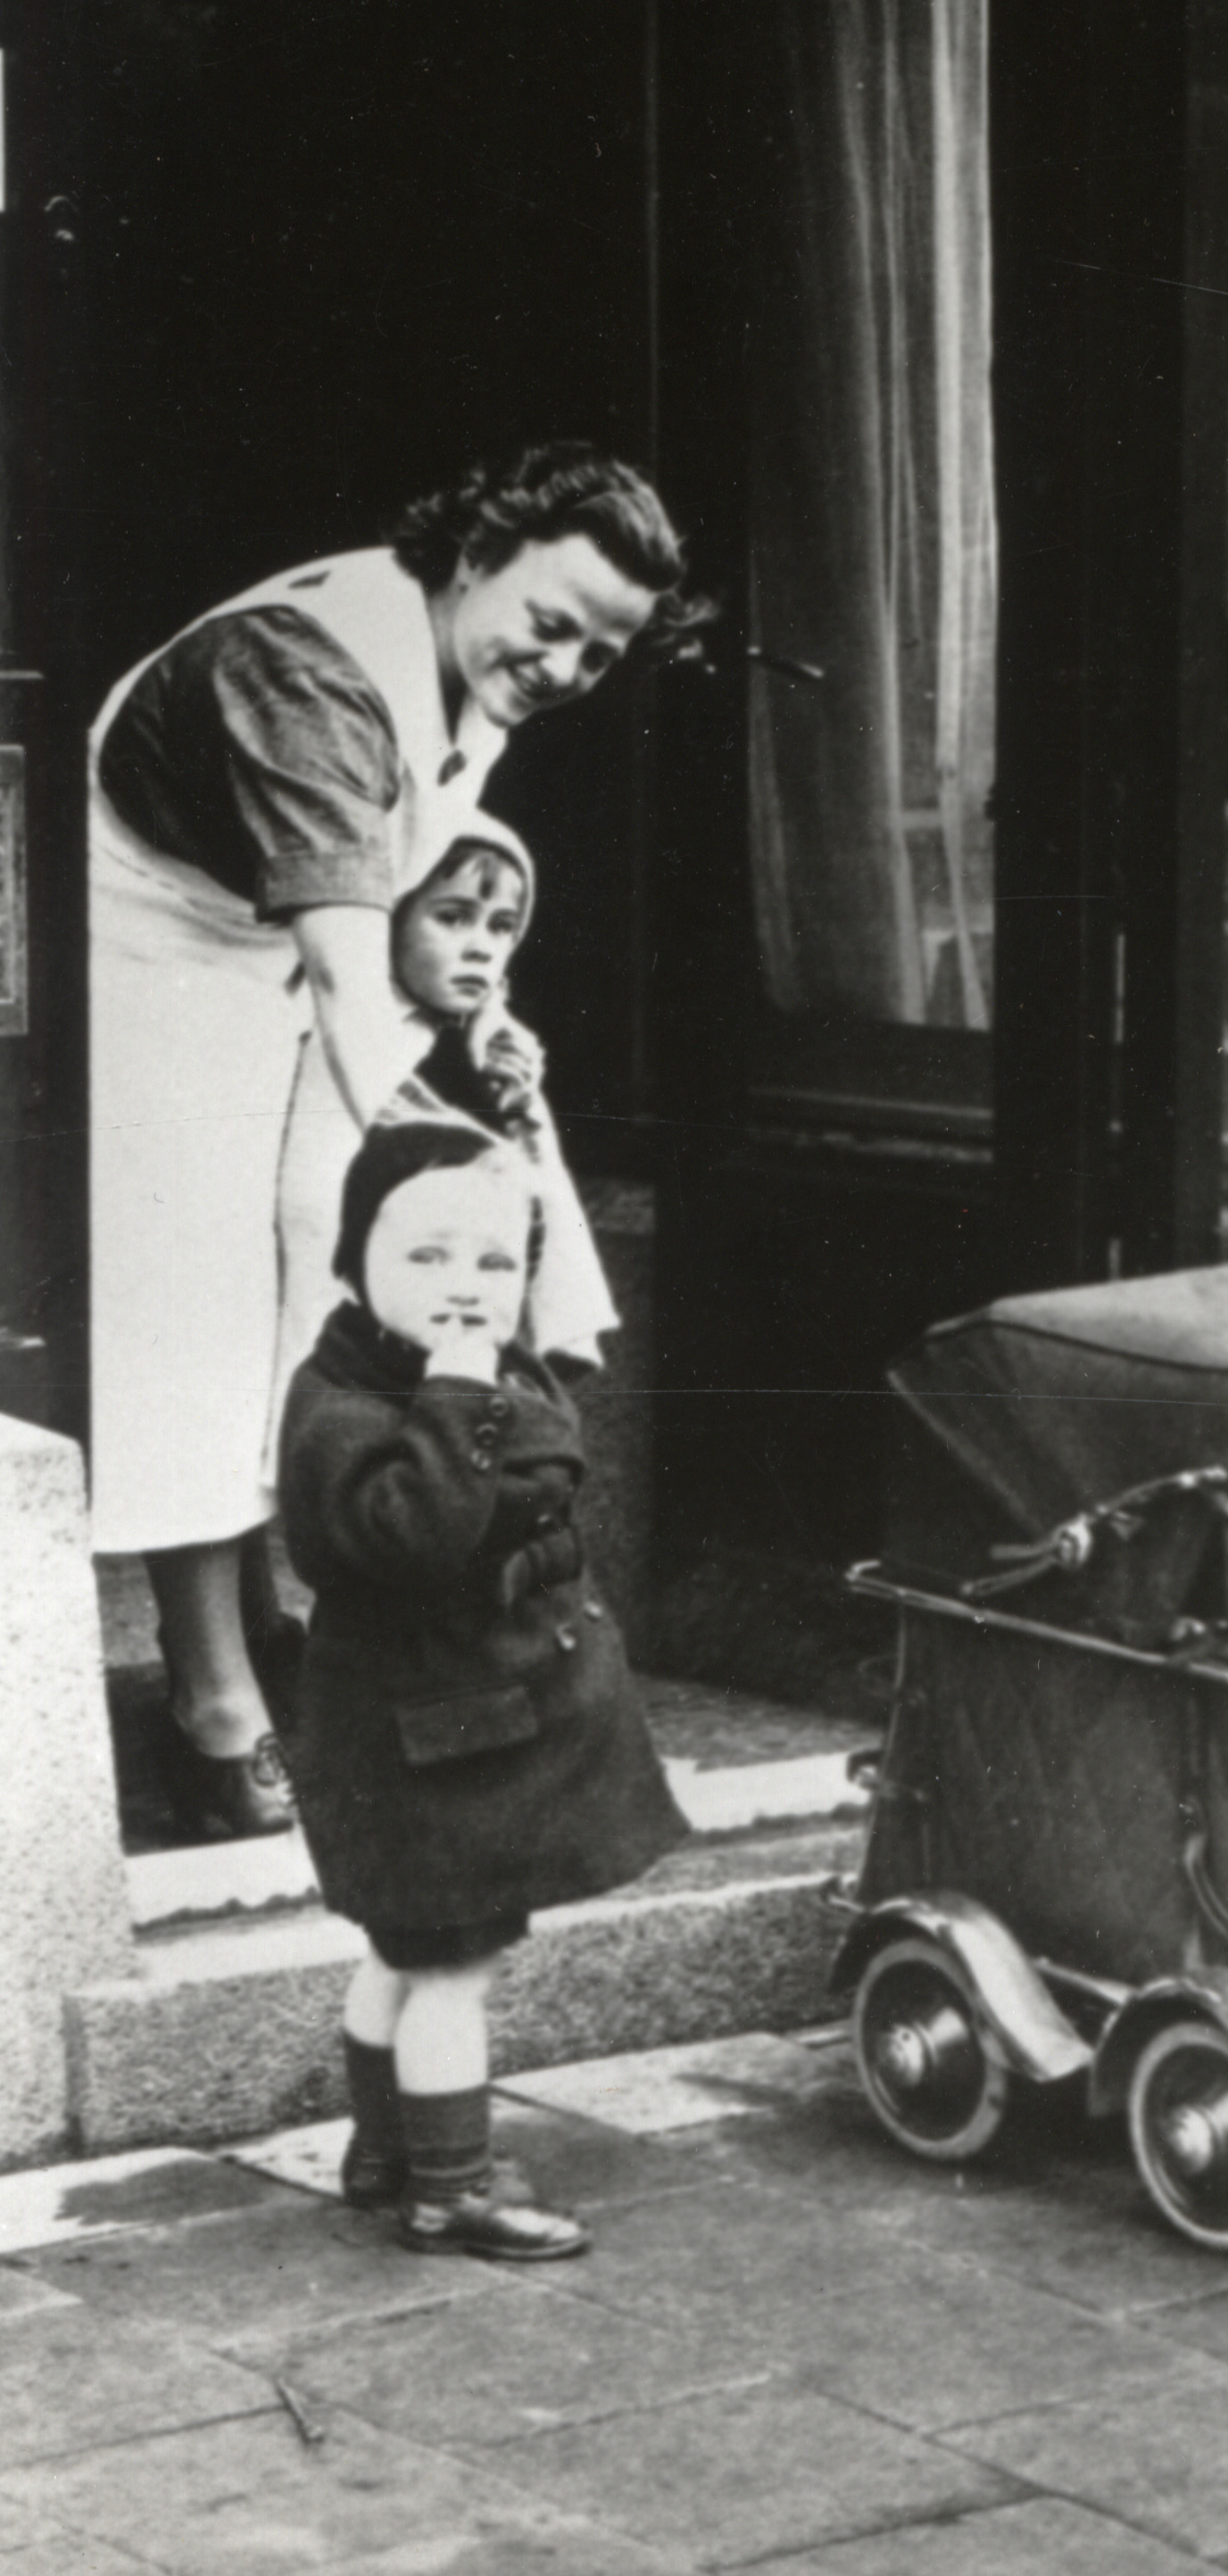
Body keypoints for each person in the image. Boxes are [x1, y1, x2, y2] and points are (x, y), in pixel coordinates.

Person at [88, 441, 707, 1838]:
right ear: (473, 552)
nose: (561, 667)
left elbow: (399, 904)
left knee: (294, 1285)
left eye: (600, 655)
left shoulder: (462, 662)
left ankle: (264, 1629)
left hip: (266, 970)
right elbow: (356, 996)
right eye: (549, 623)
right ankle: (214, 1704)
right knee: (195, 1312)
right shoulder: (308, 669)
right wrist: (472, 1181)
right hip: (122, 969)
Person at [278, 1120, 687, 2260]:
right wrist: (461, 1398)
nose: (465, 1288)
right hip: (427, 1739)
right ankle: (450, 2185)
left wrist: (478, 1381)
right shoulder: (348, 1408)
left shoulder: (459, 1369)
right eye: (426, 1258)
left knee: (405, 1950)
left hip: (459, 1724)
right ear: (354, 1264)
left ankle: (386, 2148)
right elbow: (414, 1536)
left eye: (496, 1263)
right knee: (451, 1966)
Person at [276, 819, 618, 1389]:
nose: (482, 946)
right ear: (388, 919)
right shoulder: (350, 1026)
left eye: (503, 926)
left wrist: (508, 1089)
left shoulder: (477, 1048)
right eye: (452, 917)